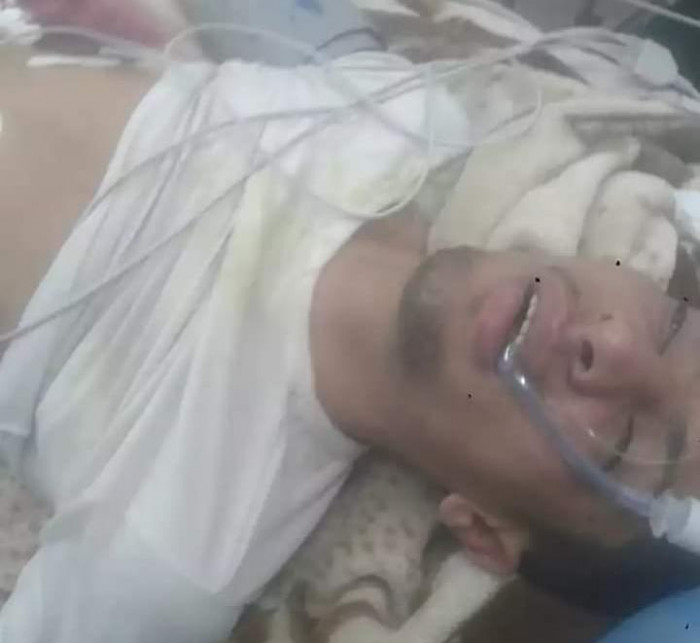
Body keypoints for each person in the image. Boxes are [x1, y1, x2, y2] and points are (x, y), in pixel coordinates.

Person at [1, 38, 700, 642]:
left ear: (485, 529)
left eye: (628, 441)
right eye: (672, 326)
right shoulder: (415, 118)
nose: (617, 346)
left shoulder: (182, 543)